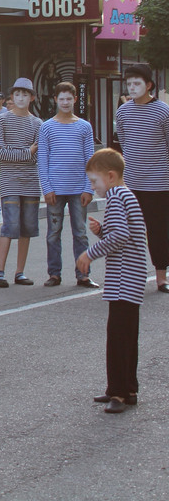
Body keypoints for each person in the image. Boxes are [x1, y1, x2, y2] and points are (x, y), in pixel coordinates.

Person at [77, 148, 149, 413]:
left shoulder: (117, 196)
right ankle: (126, 388)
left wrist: (89, 253)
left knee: (118, 336)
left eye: (94, 181)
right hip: (132, 275)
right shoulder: (126, 195)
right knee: (127, 335)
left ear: (110, 176)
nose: (93, 187)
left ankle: (119, 392)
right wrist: (102, 231)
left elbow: (120, 237)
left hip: (124, 278)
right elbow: (122, 233)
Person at [114, 62, 169, 292]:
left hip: (159, 183)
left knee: (159, 230)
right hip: (132, 183)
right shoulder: (122, 112)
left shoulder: (163, 111)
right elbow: (124, 144)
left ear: (148, 85)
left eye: (137, 83)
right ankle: (131, 276)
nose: (132, 87)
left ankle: (161, 277)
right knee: (130, 231)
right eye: (129, 83)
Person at [38, 81, 97, 288]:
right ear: (55, 100)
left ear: (75, 100)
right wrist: (47, 188)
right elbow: (43, 160)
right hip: (55, 189)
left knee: (80, 232)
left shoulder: (84, 126)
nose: (65, 102)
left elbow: (90, 159)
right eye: (61, 99)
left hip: (78, 189)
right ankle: (54, 274)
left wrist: (89, 188)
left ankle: (83, 274)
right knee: (53, 233)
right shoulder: (46, 127)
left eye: (68, 99)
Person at [0, 77, 42, 288]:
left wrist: (26, 154)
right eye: (17, 94)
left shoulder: (38, 123)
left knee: (27, 228)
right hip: (10, 181)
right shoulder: (2, 120)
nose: (21, 98)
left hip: (31, 182)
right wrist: (28, 152)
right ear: (12, 97)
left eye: (25, 94)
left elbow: (40, 154)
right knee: (9, 226)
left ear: (32, 98)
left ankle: (20, 272)